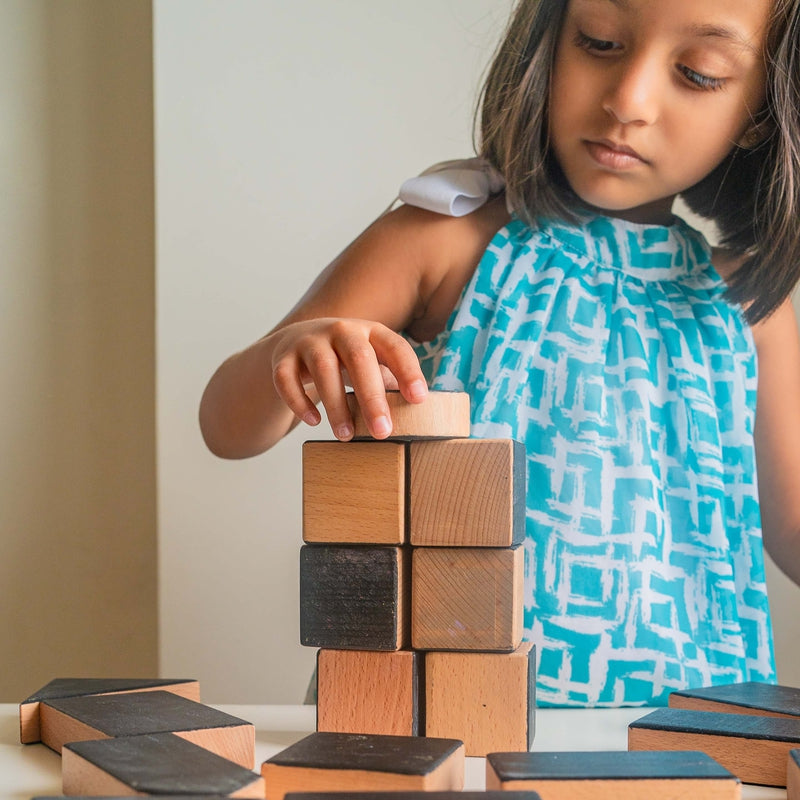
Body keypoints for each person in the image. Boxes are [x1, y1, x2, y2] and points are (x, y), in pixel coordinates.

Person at [199, 0, 800, 706]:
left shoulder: (747, 306)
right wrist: (293, 353)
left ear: (761, 111)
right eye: (600, 41)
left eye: (697, 75)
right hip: (433, 720)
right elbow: (226, 427)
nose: (628, 100)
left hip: (688, 730)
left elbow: (789, 531)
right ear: (548, 39)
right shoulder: (443, 240)